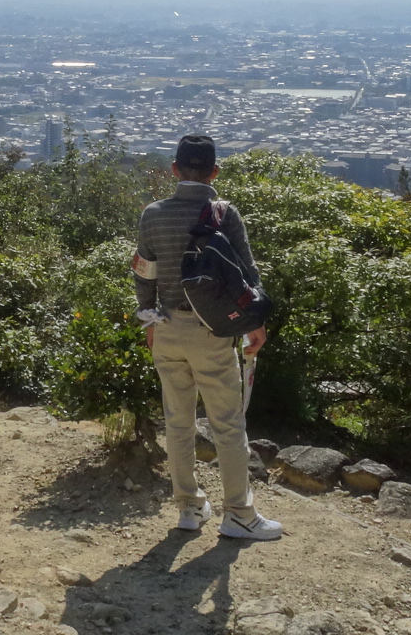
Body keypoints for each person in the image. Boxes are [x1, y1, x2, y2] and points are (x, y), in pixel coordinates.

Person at [132, 135, 283, 541]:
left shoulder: (153, 214)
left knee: (177, 421)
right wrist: (255, 324)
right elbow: (246, 274)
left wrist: (149, 321)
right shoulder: (222, 213)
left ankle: (189, 508)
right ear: (215, 172)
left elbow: (143, 272)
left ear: (174, 170)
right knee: (227, 425)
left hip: (165, 327)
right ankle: (239, 513)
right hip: (214, 331)